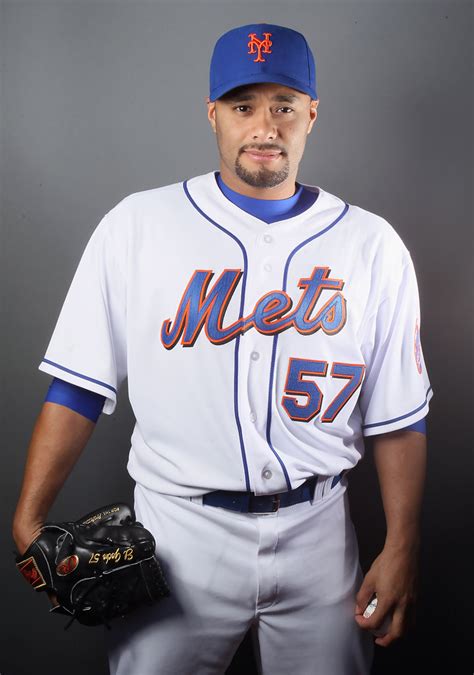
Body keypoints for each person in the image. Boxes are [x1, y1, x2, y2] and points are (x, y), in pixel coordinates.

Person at [12, 23, 432, 675]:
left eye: (283, 106)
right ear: (213, 114)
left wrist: (402, 543)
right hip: (178, 534)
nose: (264, 125)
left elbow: (399, 415)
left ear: (312, 115)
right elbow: (77, 386)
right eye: (243, 106)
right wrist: (29, 515)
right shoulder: (138, 226)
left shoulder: (373, 245)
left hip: (320, 531)